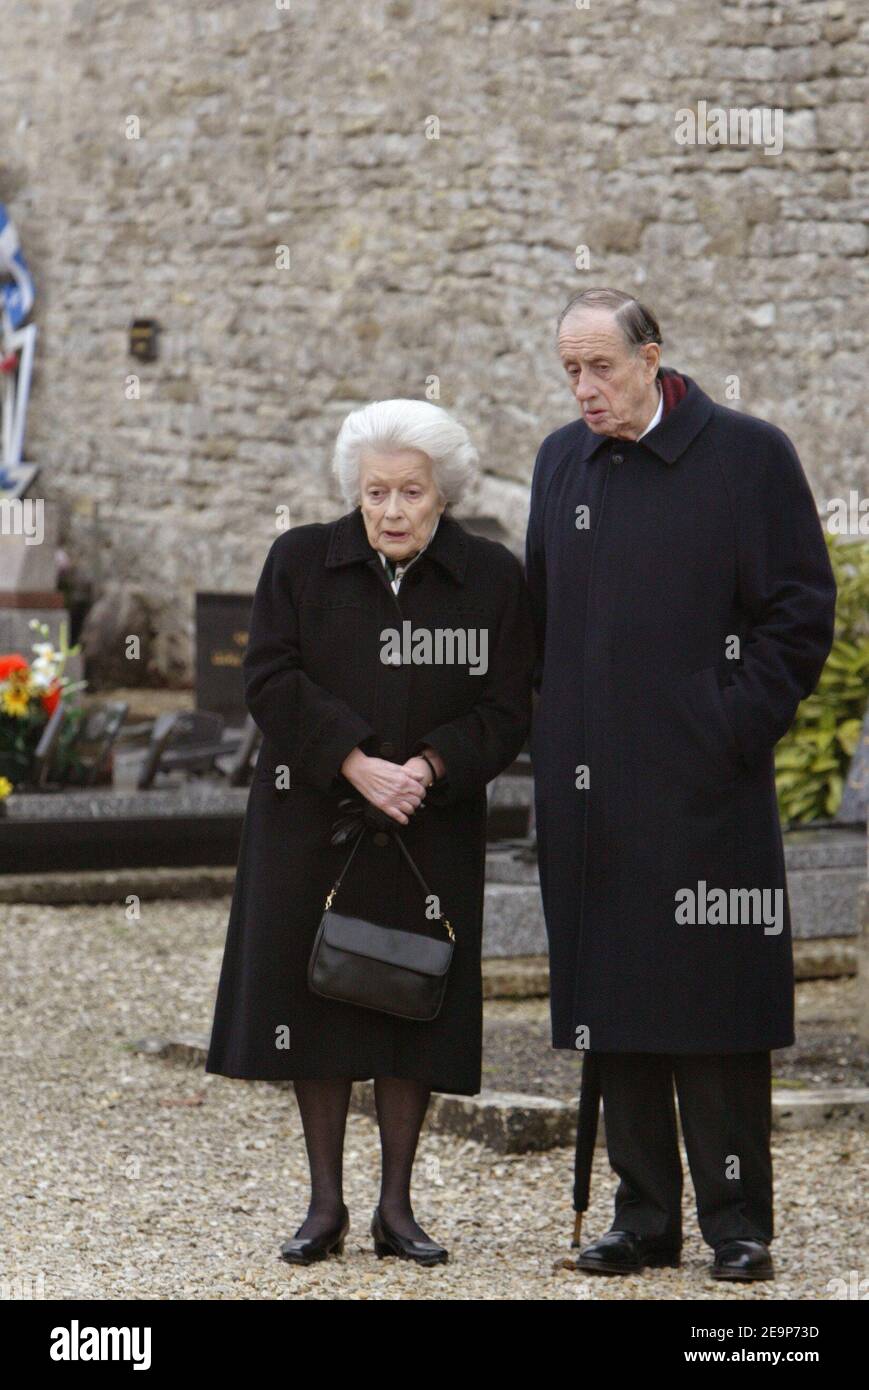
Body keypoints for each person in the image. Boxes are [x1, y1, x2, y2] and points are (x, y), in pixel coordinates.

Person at [525, 288, 836, 1281]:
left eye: (599, 368)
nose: (582, 389)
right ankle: (641, 1214)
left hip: (704, 788)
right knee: (613, 1008)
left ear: (651, 358)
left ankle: (736, 1223)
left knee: (713, 1008)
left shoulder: (746, 457)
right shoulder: (557, 462)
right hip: (587, 794)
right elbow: (543, 618)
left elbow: (798, 609)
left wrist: (726, 723)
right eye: (568, 370)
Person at [206, 398, 534, 1267]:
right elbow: (270, 677)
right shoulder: (300, 561)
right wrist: (354, 761)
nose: (390, 511)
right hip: (313, 819)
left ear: (445, 494)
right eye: (375, 492)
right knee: (316, 1005)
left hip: (429, 824)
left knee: (409, 1003)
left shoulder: (493, 577)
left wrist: (427, 768)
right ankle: (324, 1206)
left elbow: (508, 706)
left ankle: (398, 1208)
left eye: (410, 493)